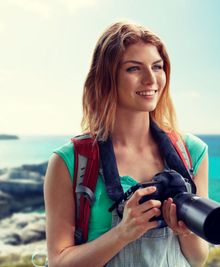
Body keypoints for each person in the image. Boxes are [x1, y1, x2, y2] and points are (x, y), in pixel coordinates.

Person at [44, 21, 209, 267]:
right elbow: (59, 261)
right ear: (107, 77)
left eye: (157, 67)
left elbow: (197, 258)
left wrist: (184, 231)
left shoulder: (192, 152)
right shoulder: (70, 161)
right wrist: (123, 233)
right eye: (134, 69)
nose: (151, 79)